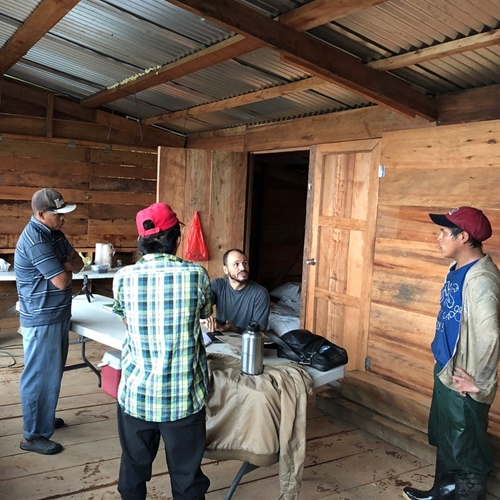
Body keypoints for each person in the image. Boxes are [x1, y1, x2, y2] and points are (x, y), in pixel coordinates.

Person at [112, 202, 212, 500]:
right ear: (175, 238)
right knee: (187, 478)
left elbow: (125, 319)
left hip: (137, 394)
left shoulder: (123, 278)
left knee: (133, 469)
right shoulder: (196, 275)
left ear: (141, 241)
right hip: (183, 396)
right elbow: (205, 314)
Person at [403, 207, 500, 500]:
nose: (439, 238)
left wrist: (479, 383)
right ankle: (441, 492)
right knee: (448, 435)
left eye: (444, 232)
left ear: (464, 237)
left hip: (463, 379)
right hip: (447, 367)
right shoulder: (458, 269)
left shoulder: (482, 280)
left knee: (465, 446)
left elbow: (491, 335)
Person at [15, 188, 83, 455]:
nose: (63, 218)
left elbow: (79, 263)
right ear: (41, 214)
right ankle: (32, 436)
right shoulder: (36, 240)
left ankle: (42, 420)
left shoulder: (54, 233)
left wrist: (66, 264)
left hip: (56, 314)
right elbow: (63, 280)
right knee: (38, 377)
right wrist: (65, 265)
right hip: (42, 317)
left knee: (50, 374)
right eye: (58, 214)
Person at [204, 248, 270, 334]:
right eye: (236, 264)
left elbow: (259, 331)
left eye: (245, 263)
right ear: (225, 270)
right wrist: (204, 318)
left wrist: (233, 328)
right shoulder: (218, 285)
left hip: (246, 339)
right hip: (221, 335)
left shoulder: (260, 293)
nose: (243, 268)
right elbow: (202, 304)